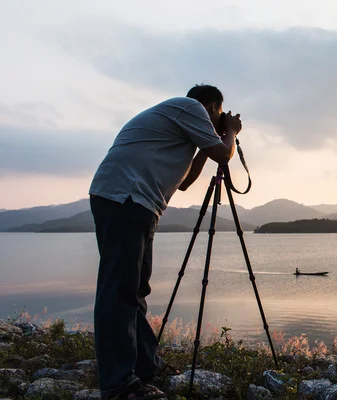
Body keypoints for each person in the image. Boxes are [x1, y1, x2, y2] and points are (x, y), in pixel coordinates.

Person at [89, 84, 242, 399]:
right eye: (219, 113)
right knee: (119, 291)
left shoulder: (181, 124)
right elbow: (224, 154)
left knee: (134, 291)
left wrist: (208, 142)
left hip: (135, 203)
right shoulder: (191, 108)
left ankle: (145, 365)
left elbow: (185, 183)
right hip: (126, 198)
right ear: (213, 106)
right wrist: (231, 132)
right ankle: (118, 384)